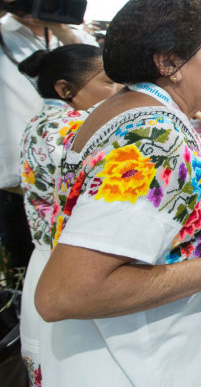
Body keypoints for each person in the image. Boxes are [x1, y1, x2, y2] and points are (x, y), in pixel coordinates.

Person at [34, 0, 201, 385]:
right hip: (128, 364)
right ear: (169, 62)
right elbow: (63, 293)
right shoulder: (155, 140)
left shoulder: (122, 106)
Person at [17, 44, 121, 384]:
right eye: (108, 81)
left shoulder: (41, 121)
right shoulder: (72, 128)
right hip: (70, 272)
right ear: (66, 90)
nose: (119, 89)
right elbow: (131, 155)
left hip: (47, 263)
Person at [0, 0, 98, 276]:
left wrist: (60, 29)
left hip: (77, 179)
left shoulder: (73, 35)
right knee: (23, 267)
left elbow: (106, 81)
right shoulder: (4, 34)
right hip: (16, 182)